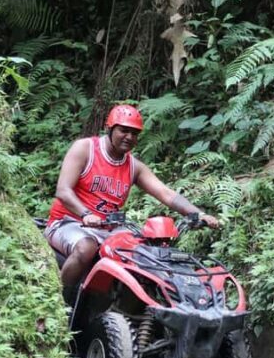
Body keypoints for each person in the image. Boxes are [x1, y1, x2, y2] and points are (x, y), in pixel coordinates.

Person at [45, 104, 219, 302]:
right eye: (123, 130)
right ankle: (58, 303)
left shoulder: (134, 166)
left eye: (135, 133)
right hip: (68, 222)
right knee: (86, 248)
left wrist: (198, 214)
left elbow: (166, 193)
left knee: (144, 254)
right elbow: (63, 191)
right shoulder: (86, 149)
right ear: (109, 128)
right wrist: (85, 214)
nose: (129, 137)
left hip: (108, 230)